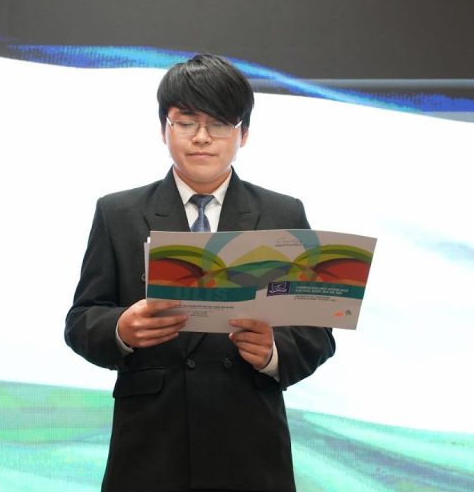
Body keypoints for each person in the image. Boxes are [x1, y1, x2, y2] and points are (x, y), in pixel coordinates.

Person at [64, 53, 336, 492]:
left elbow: (318, 333)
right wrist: (121, 328)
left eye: (219, 124)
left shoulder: (283, 214)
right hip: (151, 445)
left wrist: (272, 351)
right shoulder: (118, 213)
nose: (202, 137)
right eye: (186, 122)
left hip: (248, 444)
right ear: (163, 129)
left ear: (243, 133)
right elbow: (80, 321)